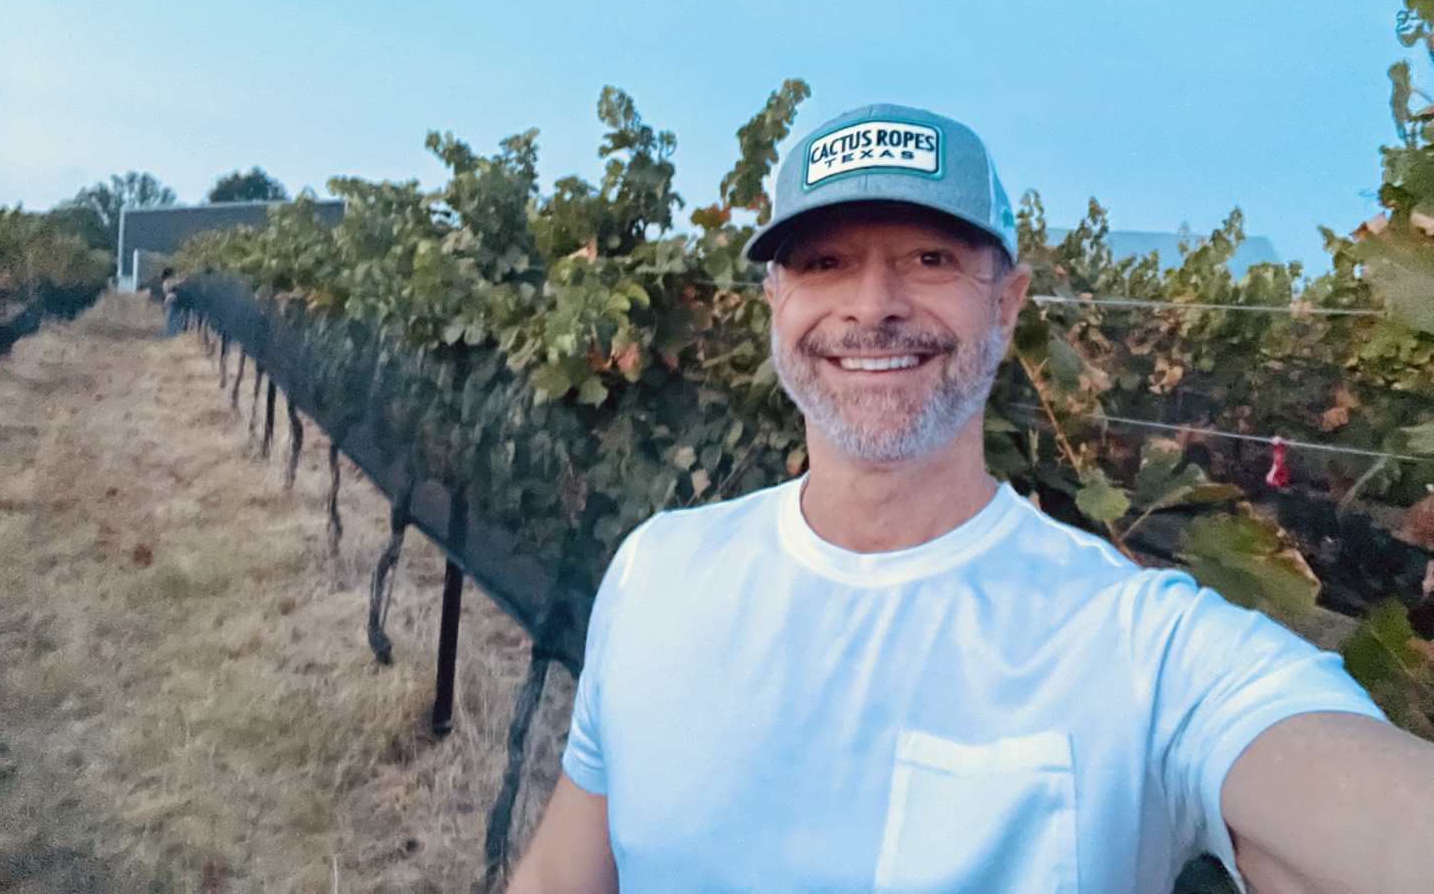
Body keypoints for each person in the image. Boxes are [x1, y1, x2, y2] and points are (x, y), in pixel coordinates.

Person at [508, 104, 1434, 894]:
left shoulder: (1144, 653)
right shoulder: (655, 572)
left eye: (929, 257)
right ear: (774, 304)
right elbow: (559, 874)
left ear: (1006, 304)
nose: (872, 304)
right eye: (824, 262)